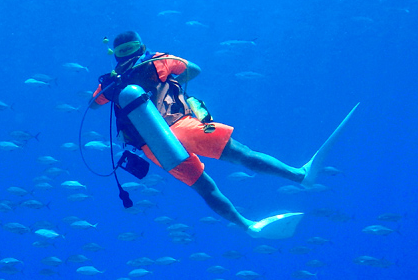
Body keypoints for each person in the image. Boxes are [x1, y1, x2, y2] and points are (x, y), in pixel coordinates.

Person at [90, 31, 355, 238]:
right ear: (140, 45)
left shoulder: (111, 83)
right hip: (183, 127)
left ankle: (247, 226)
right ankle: (300, 176)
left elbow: (94, 104)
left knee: (205, 188)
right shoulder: (158, 61)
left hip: (155, 148)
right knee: (241, 155)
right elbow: (194, 70)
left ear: (116, 54)